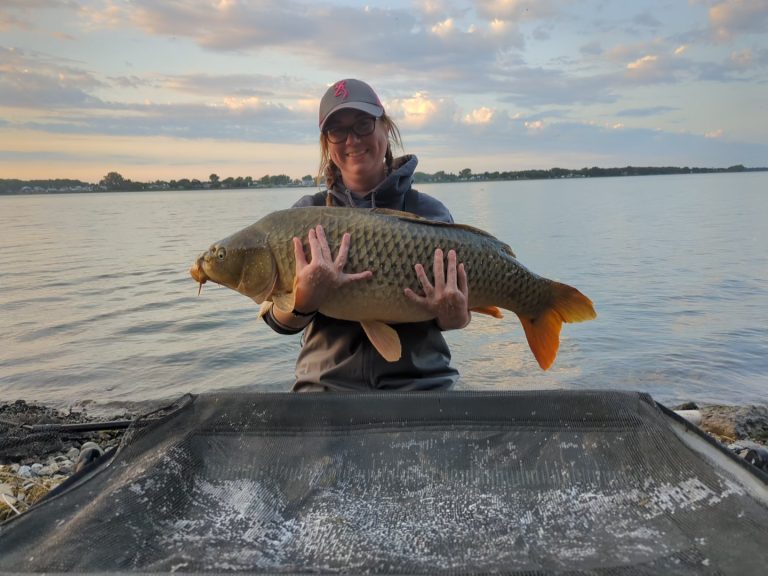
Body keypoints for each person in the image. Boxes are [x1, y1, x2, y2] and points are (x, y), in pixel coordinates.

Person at [263, 78, 470, 392]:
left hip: (423, 387)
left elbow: (458, 320)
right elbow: (277, 321)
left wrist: (453, 315)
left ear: (385, 129)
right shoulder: (303, 216)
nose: (353, 140)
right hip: (325, 388)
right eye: (338, 131)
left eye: (363, 124)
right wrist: (305, 301)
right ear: (326, 144)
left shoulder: (429, 213)